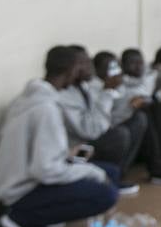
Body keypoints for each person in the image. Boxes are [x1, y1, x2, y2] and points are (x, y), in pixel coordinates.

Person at [0, 46, 121, 227]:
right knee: (105, 193)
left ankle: (46, 214)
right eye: (82, 66)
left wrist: (69, 154)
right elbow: (45, 170)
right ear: (72, 70)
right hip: (22, 191)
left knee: (110, 172)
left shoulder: (32, 97)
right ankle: (23, 218)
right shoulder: (45, 108)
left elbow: (38, 153)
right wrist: (91, 172)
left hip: (29, 176)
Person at [96, 51, 161, 186]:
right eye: (110, 68)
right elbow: (108, 121)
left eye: (116, 67)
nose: (115, 71)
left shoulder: (124, 81)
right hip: (105, 137)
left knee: (152, 107)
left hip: (124, 129)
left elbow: (153, 92)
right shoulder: (97, 87)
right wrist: (133, 104)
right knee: (145, 111)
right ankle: (158, 166)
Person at [56, 46, 143, 194]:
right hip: (73, 154)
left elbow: (103, 119)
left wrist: (129, 107)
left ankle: (117, 176)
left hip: (88, 141)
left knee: (138, 119)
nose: (90, 67)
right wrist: (108, 92)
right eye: (84, 63)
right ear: (72, 68)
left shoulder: (83, 87)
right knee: (119, 135)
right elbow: (92, 131)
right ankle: (105, 180)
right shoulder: (64, 96)